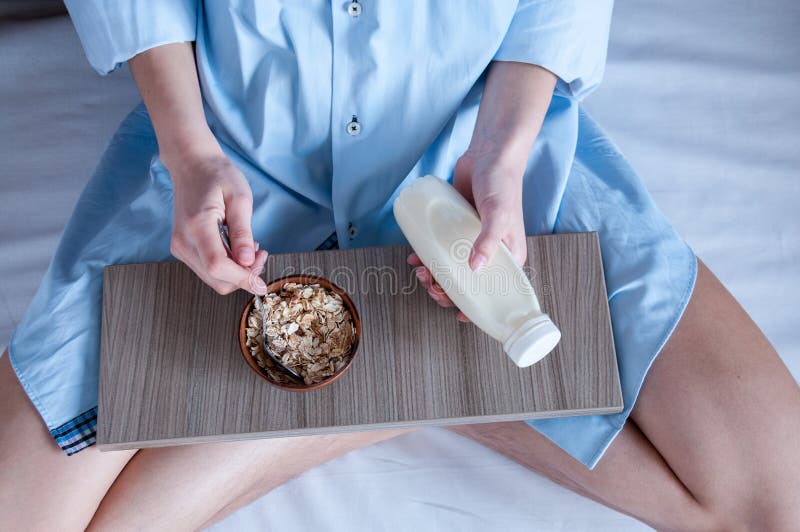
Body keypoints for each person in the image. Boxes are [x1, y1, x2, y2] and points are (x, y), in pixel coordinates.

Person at [2, 1, 798, 529]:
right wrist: (189, 152)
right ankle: (419, 382)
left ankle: (401, 385)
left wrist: (502, 154)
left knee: (780, 494)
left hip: (472, 152)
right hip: (232, 151)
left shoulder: (494, 156)